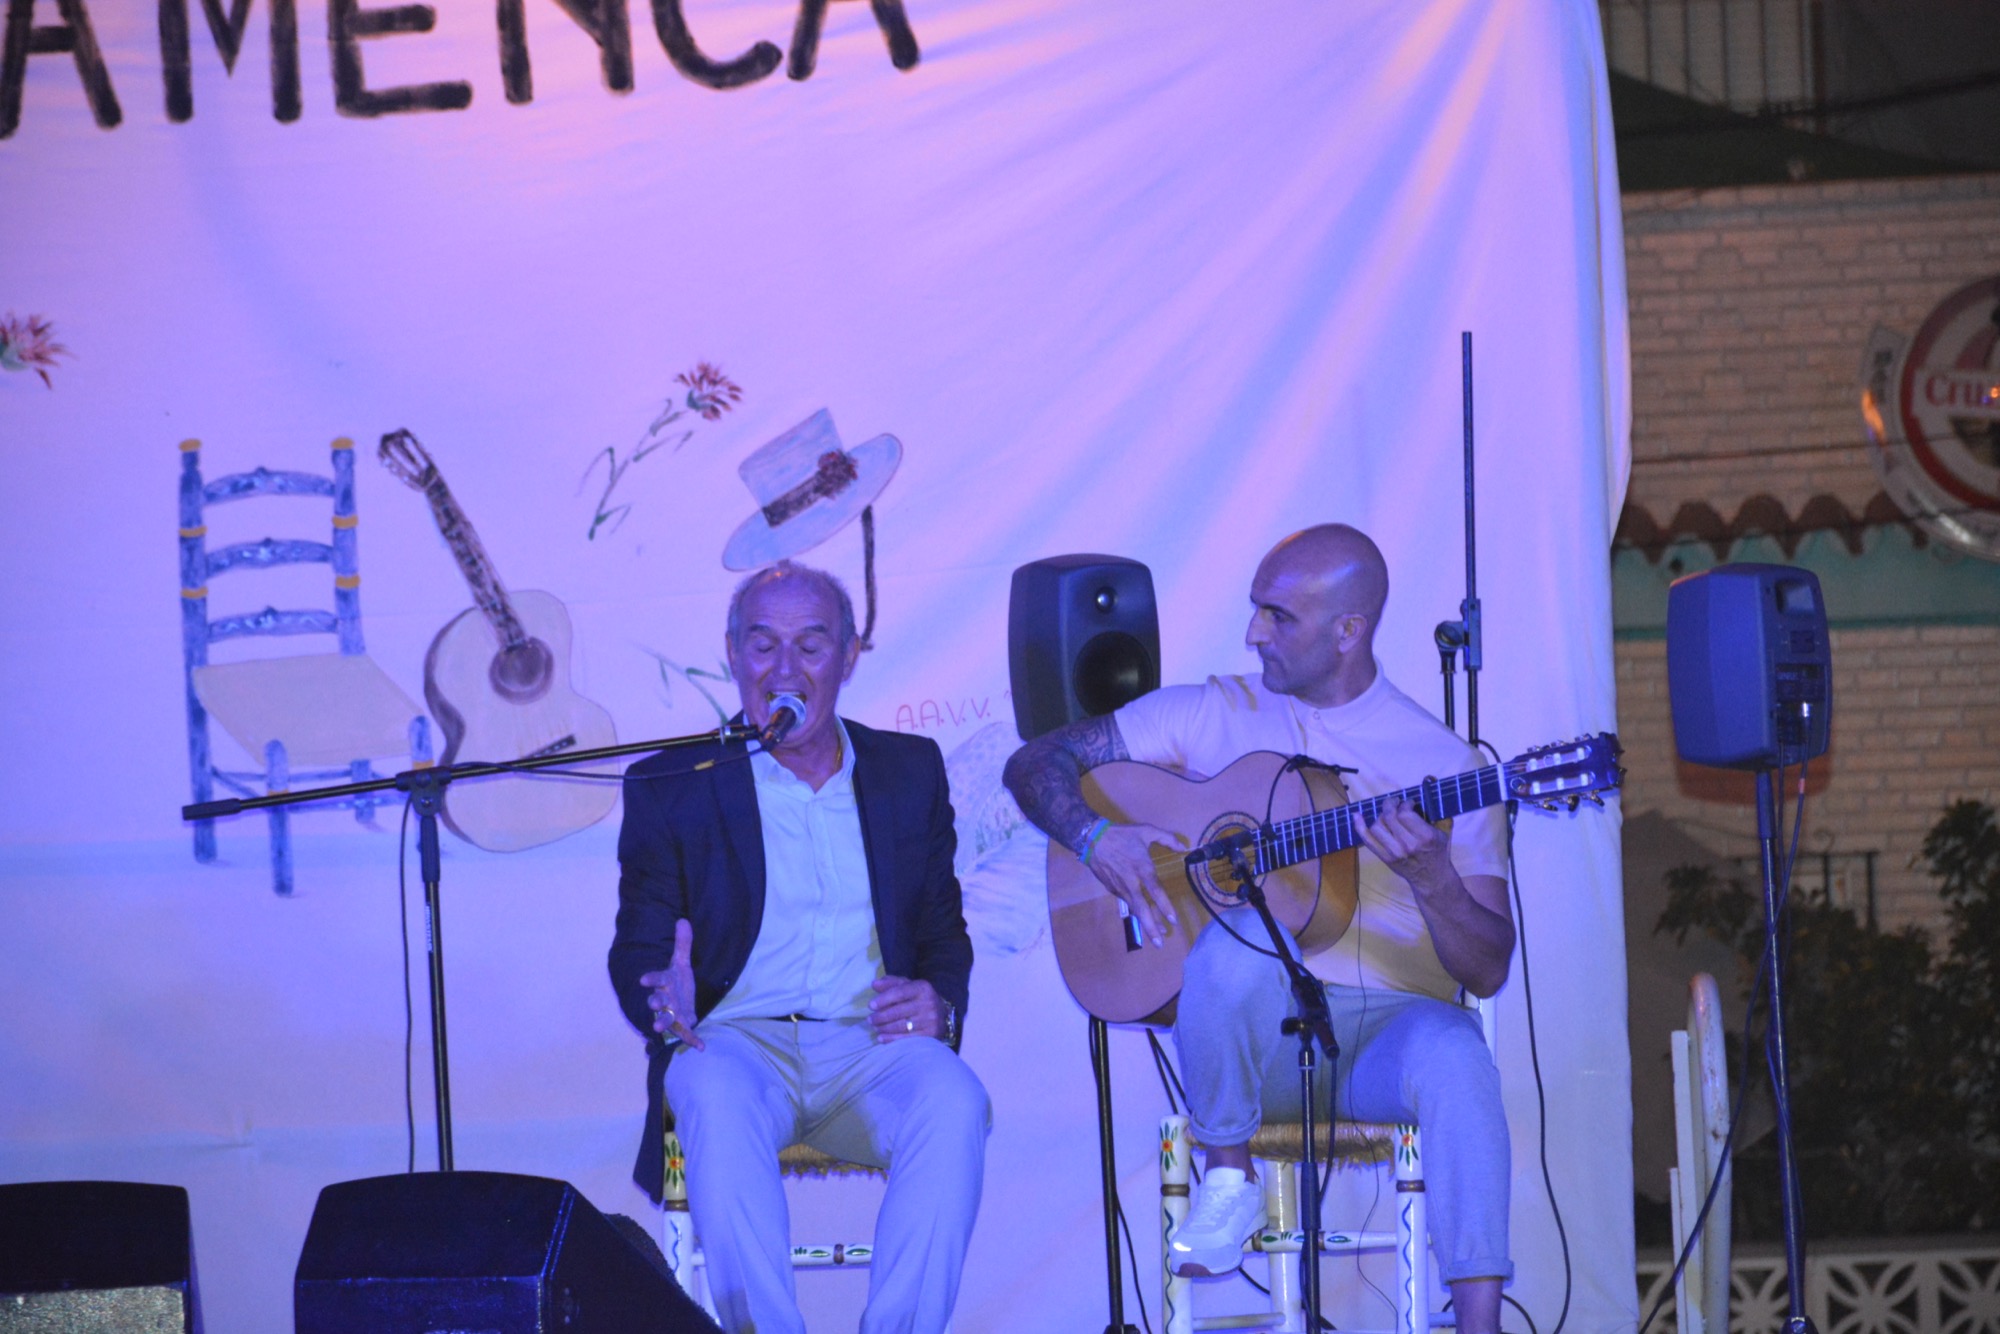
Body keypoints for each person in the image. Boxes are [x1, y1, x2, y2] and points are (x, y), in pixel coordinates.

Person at [1003, 524, 1514, 1334]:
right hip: (1251, 1051)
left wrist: (1434, 880)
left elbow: (1486, 970)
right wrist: (1095, 839)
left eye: (1278, 616)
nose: (1252, 633)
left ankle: (1480, 1322)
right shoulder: (1212, 710)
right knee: (1240, 937)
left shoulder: (1446, 765)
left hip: (1385, 1039)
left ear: (1348, 631)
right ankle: (1228, 1178)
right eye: (1256, 610)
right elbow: (1036, 763)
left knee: (1458, 1054)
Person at [609, 560, 989, 1334]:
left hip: (871, 1045)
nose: (784, 670)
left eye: (811, 647)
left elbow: (943, 931)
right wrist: (662, 997)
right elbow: (641, 945)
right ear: (732, 653)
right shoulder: (673, 784)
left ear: (848, 657)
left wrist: (940, 1006)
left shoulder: (908, 772)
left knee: (954, 1098)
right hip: (736, 1043)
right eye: (763, 645)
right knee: (707, 1082)